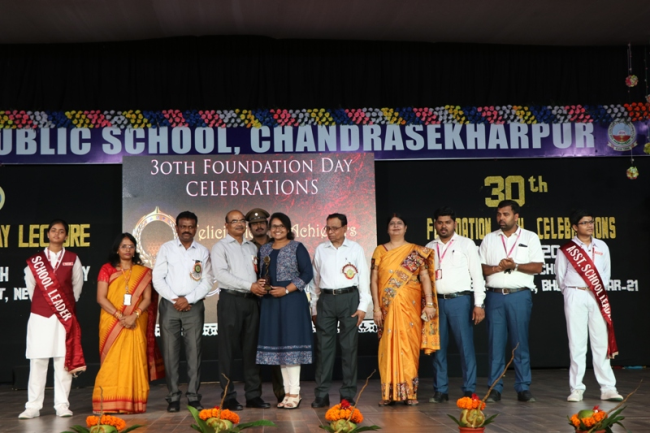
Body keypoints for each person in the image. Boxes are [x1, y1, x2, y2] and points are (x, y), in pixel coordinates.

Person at [92, 233, 165, 413]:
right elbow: (101, 298)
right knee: (112, 362)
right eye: (124, 246)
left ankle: (132, 403)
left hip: (136, 321)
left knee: (134, 361)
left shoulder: (143, 272)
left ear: (135, 250)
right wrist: (120, 316)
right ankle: (107, 403)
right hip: (112, 321)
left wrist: (134, 315)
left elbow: (147, 298)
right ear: (117, 249)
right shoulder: (107, 269)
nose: (127, 249)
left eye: (131, 246)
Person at [19, 219, 85, 419]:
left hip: (64, 317)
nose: (57, 234)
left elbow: (77, 287)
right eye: (53, 230)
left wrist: (63, 307)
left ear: (66, 236)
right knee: (38, 361)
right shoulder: (35, 261)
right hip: (40, 316)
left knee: (63, 360)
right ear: (48, 234)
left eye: (61, 231)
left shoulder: (73, 258)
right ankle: (33, 406)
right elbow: (32, 288)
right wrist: (47, 304)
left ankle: (62, 405)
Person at [371, 213, 439, 406]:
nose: (395, 226)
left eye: (399, 223)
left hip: (411, 304)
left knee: (409, 347)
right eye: (392, 223)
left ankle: (410, 393)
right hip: (387, 307)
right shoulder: (380, 250)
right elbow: (374, 280)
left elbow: (424, 277)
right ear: (387, 229)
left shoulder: (416, 251)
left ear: (406, 227)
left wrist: (429, 303)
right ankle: (388, 394)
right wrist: (376, 308)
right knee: (387, 348)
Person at [555, 210, 623, 402]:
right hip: (575, 293)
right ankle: (576, 388)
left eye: (591, 222)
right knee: (577, 343)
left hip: (597, 295)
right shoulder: (566, 249)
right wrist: (571, 292)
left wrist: (598, 290)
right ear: (575, 227)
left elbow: (606, 273)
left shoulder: (602, 245)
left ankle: (608, 388)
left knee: (601, 342)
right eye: (584, 223)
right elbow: (560, 276)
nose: (589, 225)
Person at [479, 200, 543, 403]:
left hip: (519, 296)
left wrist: (515, 265)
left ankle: (523, 387)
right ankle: (494, 388)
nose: (501, 218)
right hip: (495, 296)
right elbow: (480, 268)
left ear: (516, 216)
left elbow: (538, 267)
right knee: (495, 344)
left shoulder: (530, 237)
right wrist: (498, 268)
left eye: (505, 214)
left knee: (519, 343)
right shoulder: (489, 239)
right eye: (499, 214)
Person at [153, 211, 212, 412]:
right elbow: (157, 278)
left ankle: (193, 396)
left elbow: (207, 281)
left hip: (193, 306)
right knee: (170, 353)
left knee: (194, 352)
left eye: (191, 226)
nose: (187, 230)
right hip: (170, 306)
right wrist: (175, 299)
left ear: (196, 228)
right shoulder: (166, 248)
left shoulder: (202, 251)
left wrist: (189, 299)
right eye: (183, 226)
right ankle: (173, 397)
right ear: (176, 228)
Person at [211, 210, 271, 411]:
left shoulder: (251, 247)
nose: (239, 224)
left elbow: (256, 273)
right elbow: (221, 275)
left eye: (241, 221)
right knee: (227, 351)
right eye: (234, 221)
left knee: (252, 350)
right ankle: (228, 397)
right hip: (231, 300)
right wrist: (250, 286)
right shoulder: (220, 247)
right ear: (226, 225)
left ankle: (253, 395)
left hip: (251, 302)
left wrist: (260, 285)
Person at [310, 213, 371, 408]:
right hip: (326, 300)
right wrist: (314, 307)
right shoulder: (321, 249)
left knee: (349, 348)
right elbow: (315, 281)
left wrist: (363, 306)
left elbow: (364, 279)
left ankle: (348, 394)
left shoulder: (355, 248)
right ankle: (321, 394)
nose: (330, 232)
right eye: (328, 228)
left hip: (349, 298)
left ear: (345, 228)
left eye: (335, 228)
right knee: (323, 348)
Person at [426, 207, 485, 403]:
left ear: (455, 224)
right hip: (436, 302)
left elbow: (477, 275)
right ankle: (440, 390)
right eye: (440, 222)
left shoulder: (466, 244)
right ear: (435, 224)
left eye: (447, 222)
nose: (444, 226)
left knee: (465, 347)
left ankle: (469, 389)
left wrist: (478, 304)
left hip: (460, 300)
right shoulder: (429, 247)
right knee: (438, 348)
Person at [255, 212, 313, 410]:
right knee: (280, 348)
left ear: (288, 228)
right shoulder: (264, 249)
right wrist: (261, 284)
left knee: (291, 347)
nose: (277, 229)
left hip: (292, 301)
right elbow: (262, 274)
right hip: (271, 303)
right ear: (269, 229)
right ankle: (287, 394)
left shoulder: (297, 247)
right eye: (274, 226)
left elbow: (307, 273)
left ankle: (295, 393)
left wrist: (286, 289)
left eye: (281, 226)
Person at [245, 207, 285, 404]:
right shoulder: (245, 247)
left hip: (275, 300)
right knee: (253, 347)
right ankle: (254, 395)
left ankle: (282, 392)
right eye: (254, 224)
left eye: (262, 222)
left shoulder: (278, 243)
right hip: (252, 301)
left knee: (278, 345)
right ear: (249, 227)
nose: (259, 226)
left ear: (267, 225)